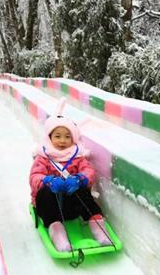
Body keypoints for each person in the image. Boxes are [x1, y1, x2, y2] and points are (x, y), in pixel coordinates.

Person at [29, 99, 111, 252]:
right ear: (50, 137)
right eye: (58, 136)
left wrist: (80, 179)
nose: (62, 140)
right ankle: (57, 232)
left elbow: (89, 170)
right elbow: (34, 176)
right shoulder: (43, 157)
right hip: (50, 207)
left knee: (83, 192)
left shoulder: (77, 156)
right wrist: (47, 180)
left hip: (71, 206)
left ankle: (99, 229)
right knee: (46, 194)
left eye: (67, 137)